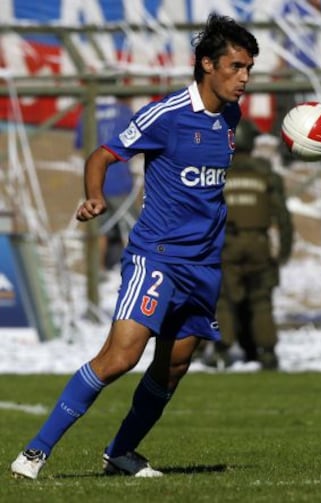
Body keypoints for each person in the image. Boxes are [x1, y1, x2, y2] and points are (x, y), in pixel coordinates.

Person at [11, 13, 259, 479]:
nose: (244, 78)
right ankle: (35, 453)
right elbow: (102, 154)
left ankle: (121, 452)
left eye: (249, 69)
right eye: (236, 66)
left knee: (175, 367)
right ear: (207, 64)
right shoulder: (165, 115)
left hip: (203, 264)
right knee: (121, 357)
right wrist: (95, 195)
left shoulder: (231, 116)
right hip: (157, 257)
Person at [203, 120, 293, 370]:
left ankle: (222, 349)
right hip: (259, 243)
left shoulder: (215, 173)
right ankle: (267, 352)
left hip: (226, 244)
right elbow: (283, 217)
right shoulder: (266, 174)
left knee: (224, 299)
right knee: (261, 299)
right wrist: (283, 251)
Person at [75, 97, 138, 272]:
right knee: (133, 229)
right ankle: (137, 271)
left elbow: (80, 144)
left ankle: (97, 272)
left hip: (95, 183)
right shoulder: (124, 111)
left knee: (99, 230)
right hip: (121, 181)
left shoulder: (87, 111)